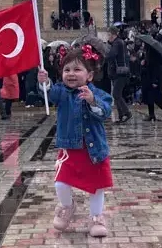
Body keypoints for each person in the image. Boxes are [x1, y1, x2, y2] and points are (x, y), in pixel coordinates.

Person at [37, 47, 113, 238]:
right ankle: (67, 206)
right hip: (70, 148)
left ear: (89, 75)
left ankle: (96, 217)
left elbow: (105, 112)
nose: (71, 74)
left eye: (77, 70)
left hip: (94, 149)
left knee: (96, 187)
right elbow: (50, 93)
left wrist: (92, 101)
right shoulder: (62, 92)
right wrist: (44, 82)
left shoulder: (98, 94)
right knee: (60, 183)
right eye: (67, 70)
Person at [105, 26, 131, 123]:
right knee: (116, 95)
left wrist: (106, 52)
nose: (108, 36)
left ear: (113, 34)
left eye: (109, 34)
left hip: (120, 72)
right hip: (116, 73)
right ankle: (121, 116)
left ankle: (127, 113)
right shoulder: (117, 42)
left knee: (116, 94)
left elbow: (112, 55)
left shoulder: (117, 43)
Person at [141, 48, 162, 121]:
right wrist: (144, 63)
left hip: (153, 80)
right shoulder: (148, 54)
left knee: (155, 98)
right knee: (150, 98)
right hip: (149, 79)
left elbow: (156, 69)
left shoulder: (154, 55)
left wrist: (154, 81)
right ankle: (151, 115)